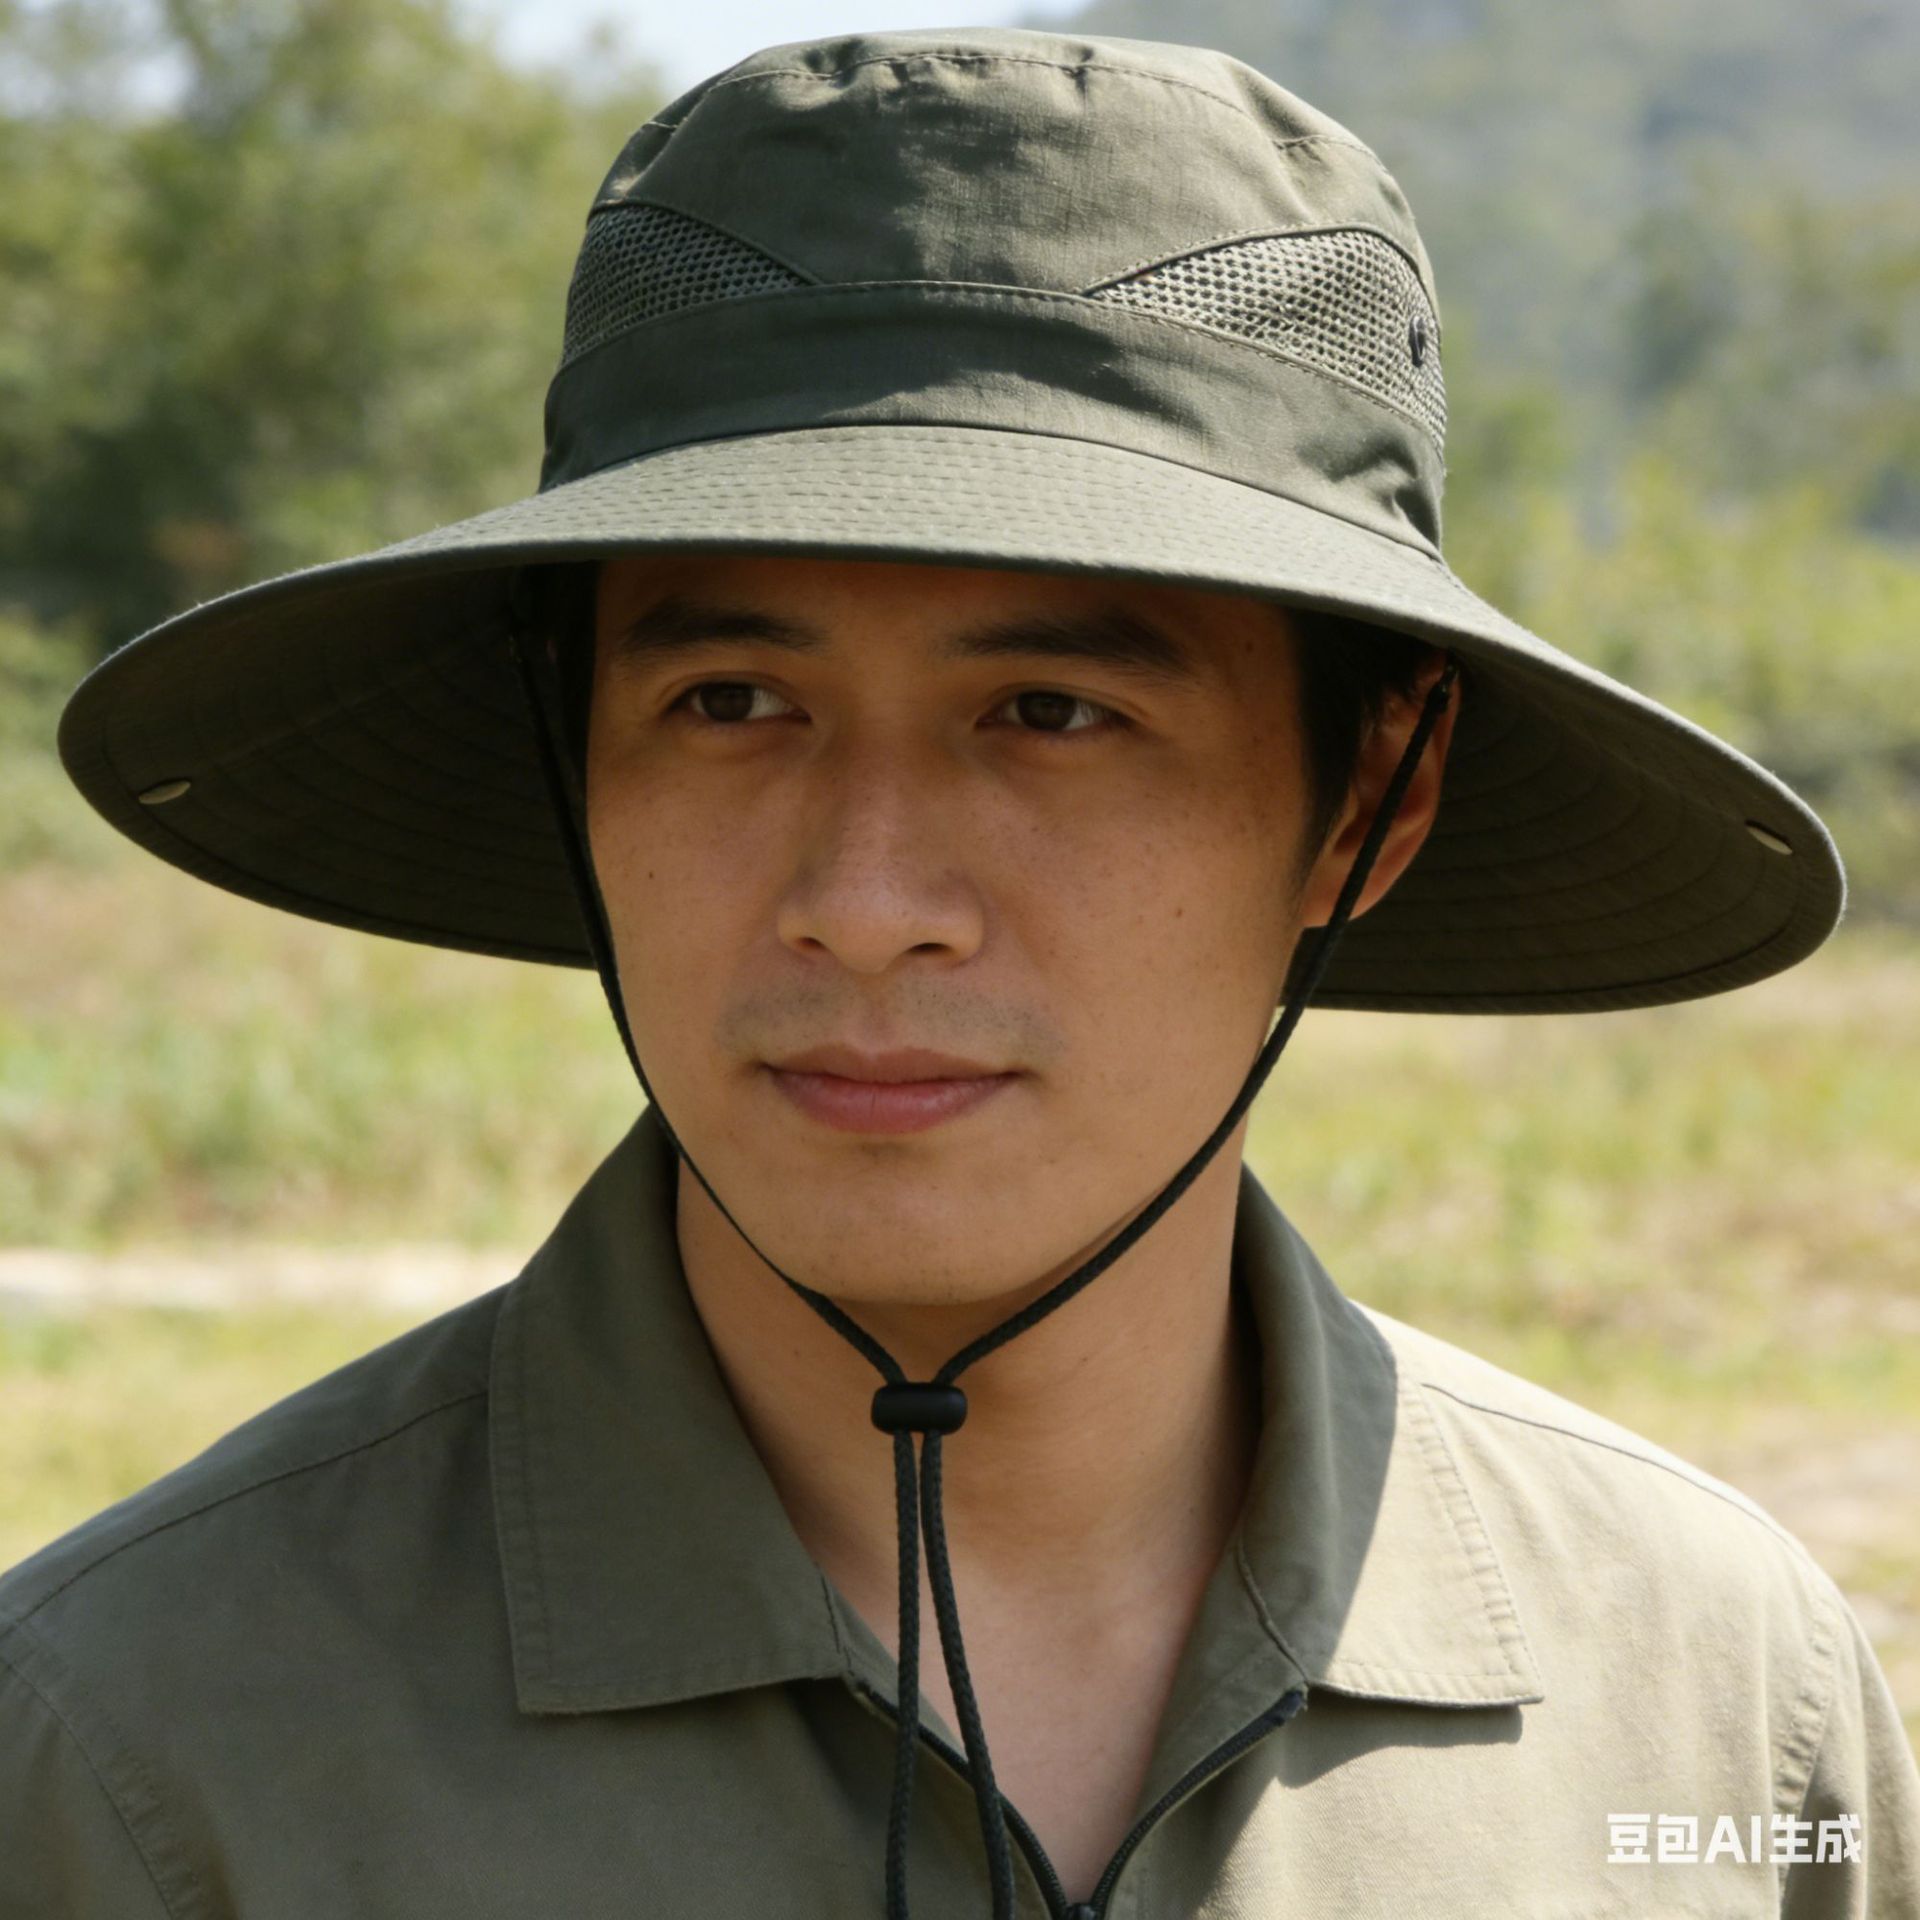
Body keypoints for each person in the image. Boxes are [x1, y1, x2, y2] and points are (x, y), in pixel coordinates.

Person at [4, 23, 1915, 1919]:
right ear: (572, 751)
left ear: (1372, 800)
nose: (865, 902)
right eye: (728, 700)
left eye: (1055, 712)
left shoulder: (1717, 1709)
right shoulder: (141, 1753)